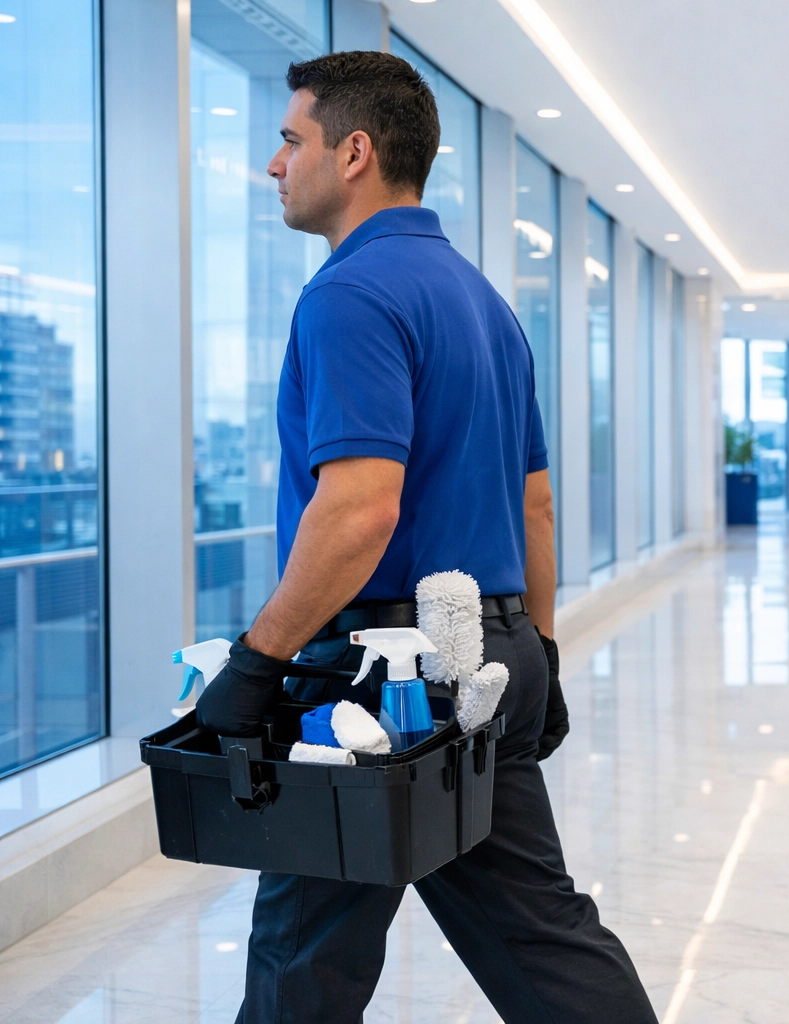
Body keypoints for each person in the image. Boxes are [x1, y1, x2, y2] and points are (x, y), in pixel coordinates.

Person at [192, 51, 657, 1024]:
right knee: (540, 937)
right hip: (492, 655)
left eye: (290, 140)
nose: (274, 165)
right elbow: (535, 507)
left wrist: (258, 656)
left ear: (353, 151)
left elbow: (361, 509)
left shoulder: (349, 295)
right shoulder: (486, 305)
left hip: (387, 676)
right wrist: (539, 651)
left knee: (300, 960)